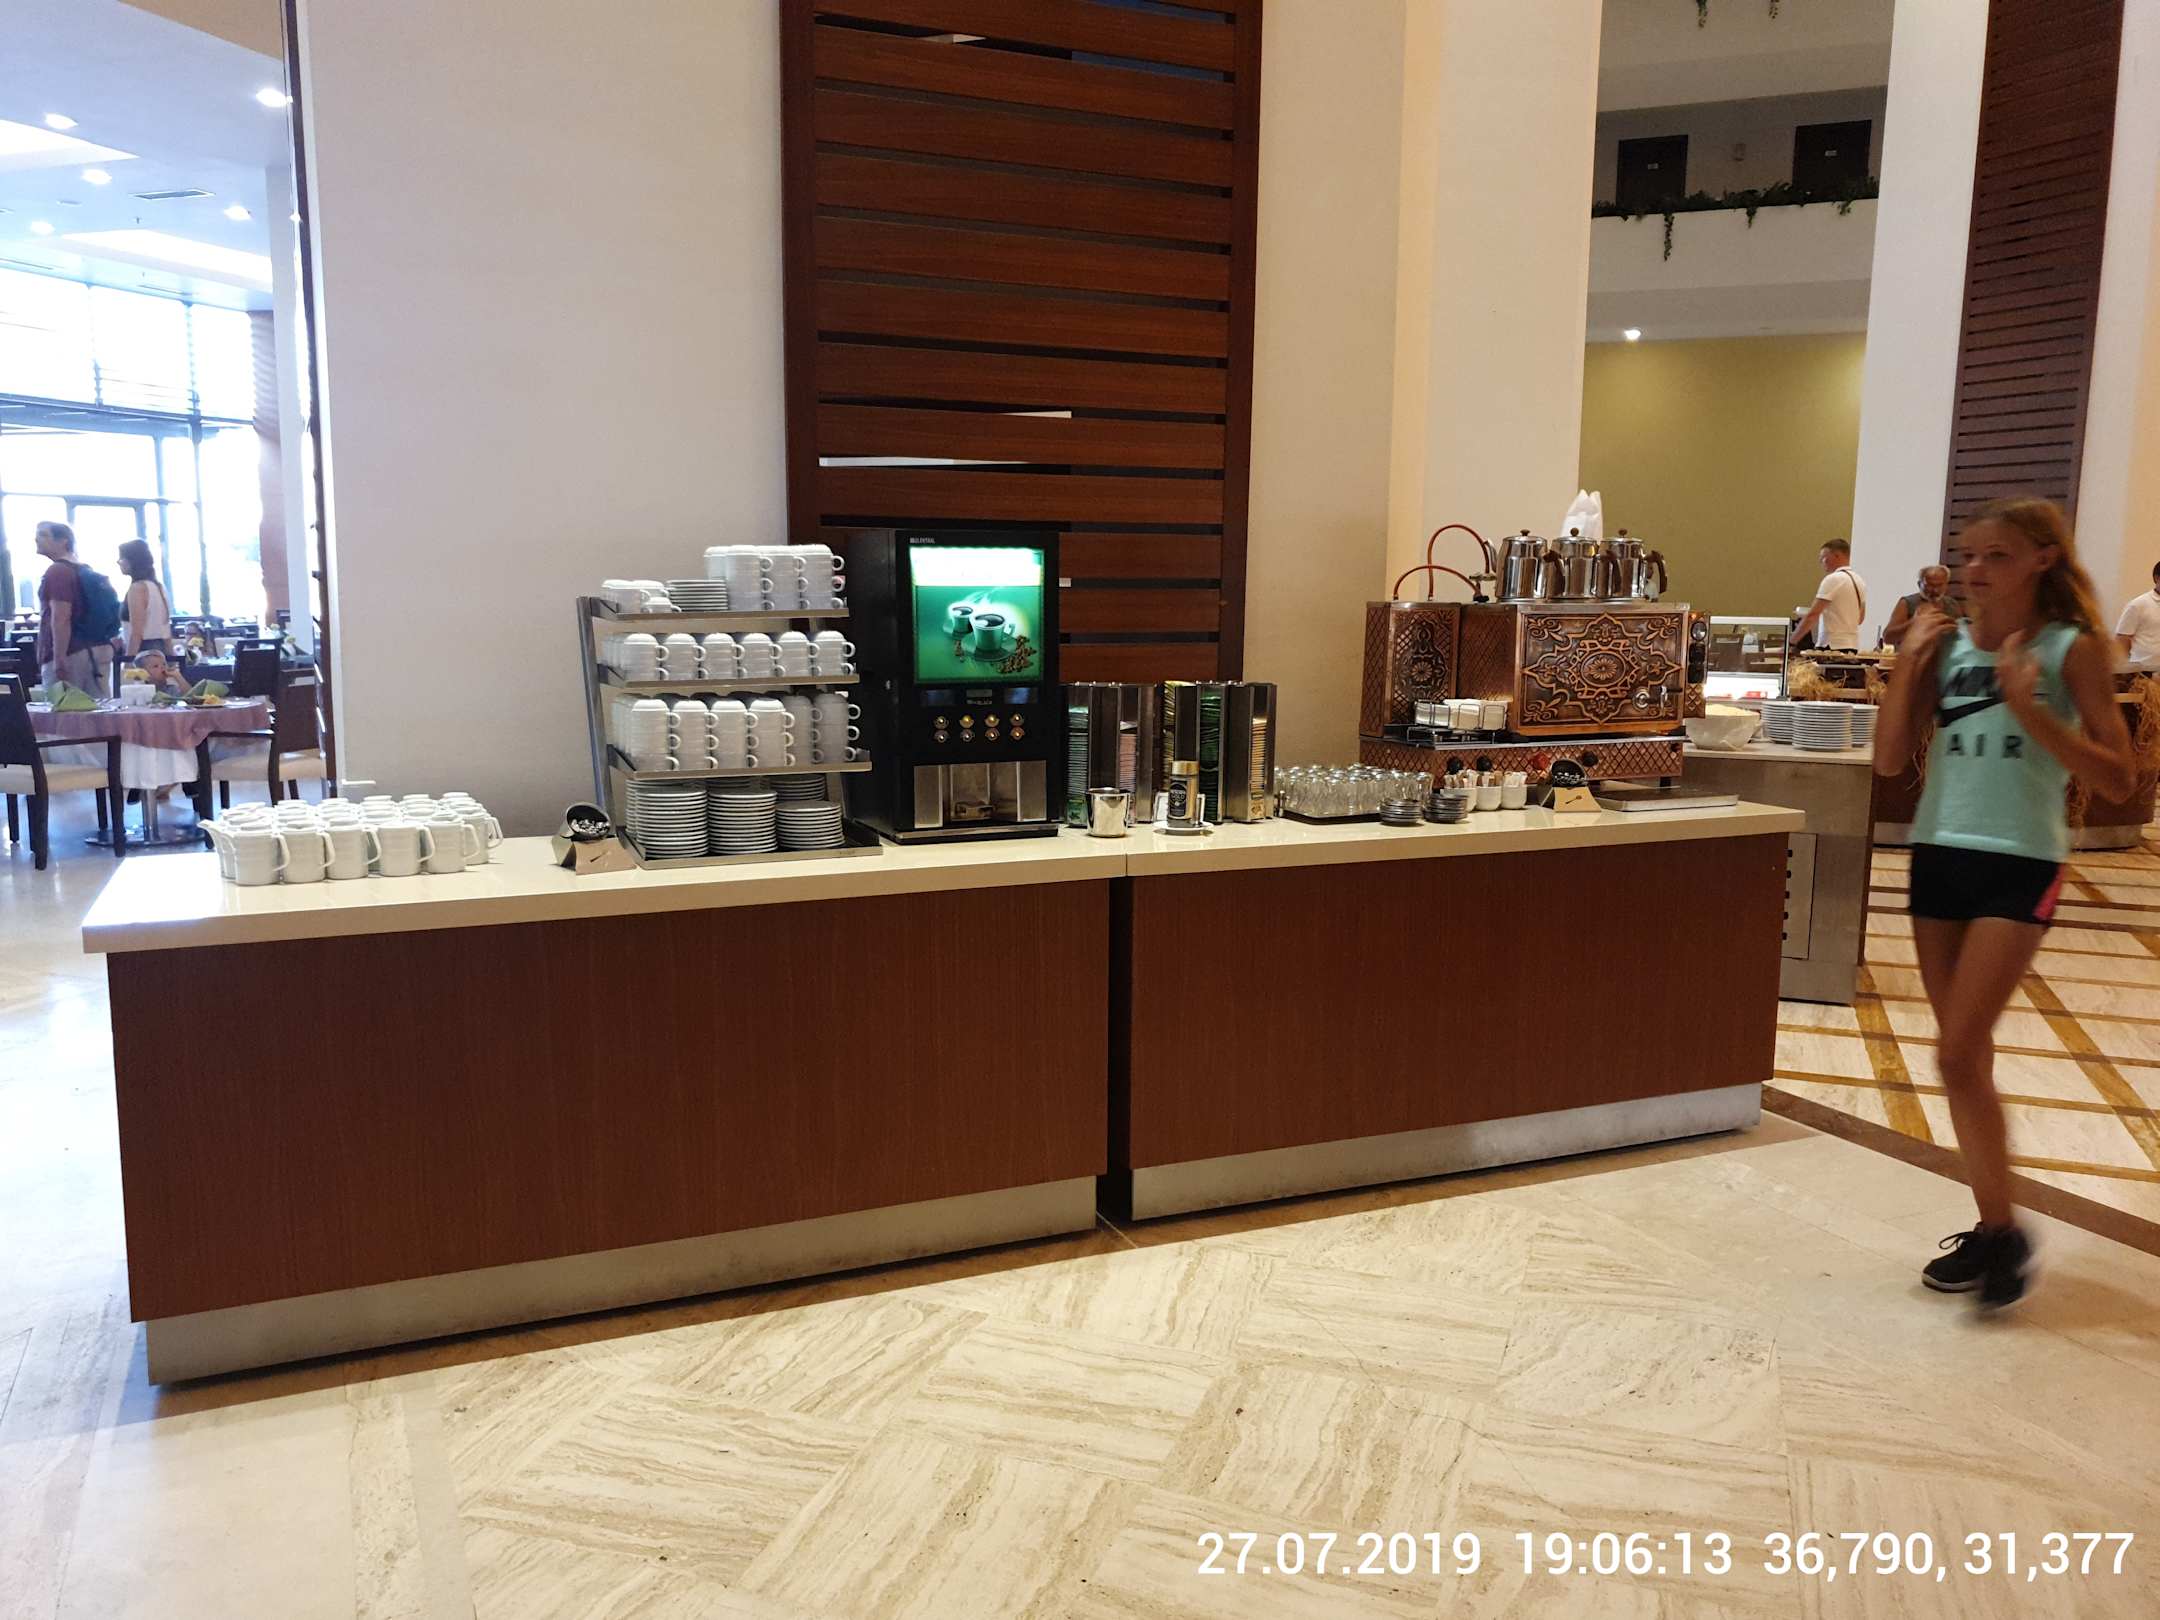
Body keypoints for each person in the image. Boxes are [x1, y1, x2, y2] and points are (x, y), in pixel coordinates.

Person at [1873, 497, 2136, 1310]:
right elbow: (1888, 761)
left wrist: (2030, 709)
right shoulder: (1949, 645)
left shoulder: (2070, 648)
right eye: (1969, 555)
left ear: (2042, 560)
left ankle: (2005, 1231)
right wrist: (1910, 665)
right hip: (1939, 853)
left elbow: (2118, 776)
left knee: (1957, 1052)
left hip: (2021, 859)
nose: (1974, 570)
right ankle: (1995, 1230)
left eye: (1996, 555)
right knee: (1964, 1059)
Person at [33, 520, 116, 692]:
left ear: (63, 540)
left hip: (72, 653)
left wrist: (59, 657)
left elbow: (61, 617)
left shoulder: (57, 572)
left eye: (43, 535)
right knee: (97, 706)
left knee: (62, 707)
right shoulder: (83, 570)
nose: (36, 539)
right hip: (95, 648)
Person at [1789, 538, 1868, 651]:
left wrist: (1791, 643)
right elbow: (1860, 618)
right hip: (1852, 645)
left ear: (1837, 556)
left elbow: (1813, 615)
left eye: (1824, 558)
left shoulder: (1833, 579)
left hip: (1831, 645)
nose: (1821, 562)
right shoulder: (1859, 581)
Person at [1881, 564, 1962, 647]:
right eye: (1930, 585)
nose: (1935, 590)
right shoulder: (1907, 603)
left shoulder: (1952, 605)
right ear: (1919, 584)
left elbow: (1961, 634)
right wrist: (1914, 623)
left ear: (1946, 585)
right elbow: (1888, 637)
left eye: (1939, 585)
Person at [117, 538, 171, 660]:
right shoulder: (158, 586)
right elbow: (166, 629)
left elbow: (137, 633)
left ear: (132, 561)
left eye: (121, 558)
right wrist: (171, 658)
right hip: (159, 649)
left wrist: (128, 662)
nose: (119, 562)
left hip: (143, 651)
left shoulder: (137, 588)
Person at [2112, 561, 2160, 666]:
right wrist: (2124, 669)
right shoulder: (2138, 604)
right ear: (2157, 578)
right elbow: (2122, 639)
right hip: (2144, 671)